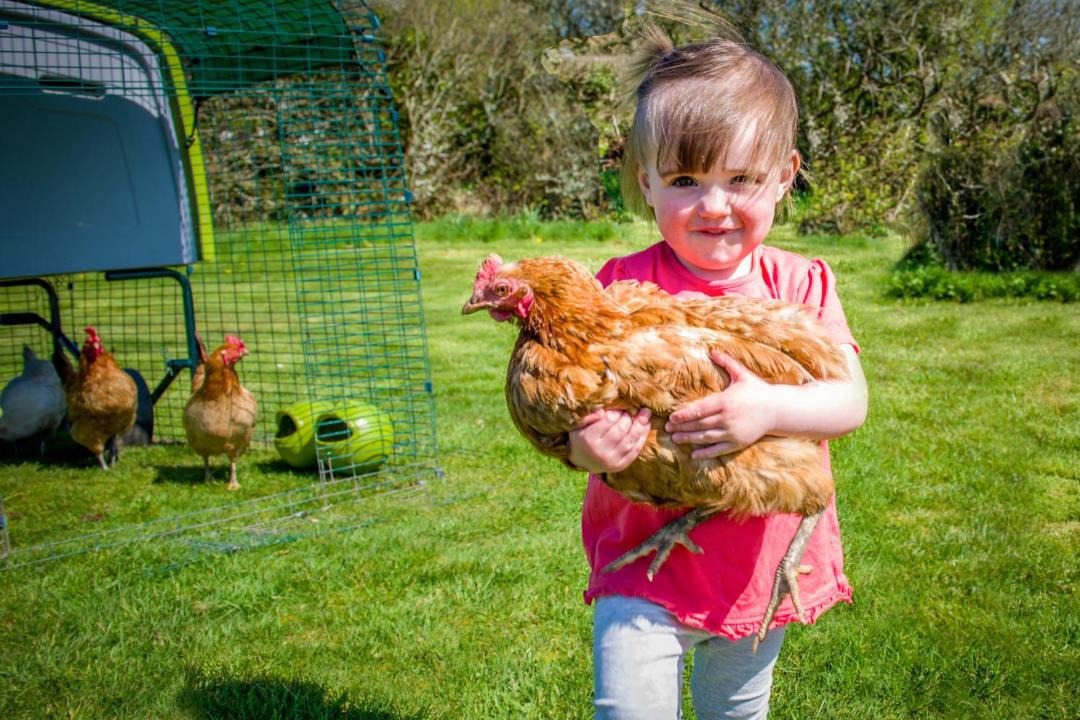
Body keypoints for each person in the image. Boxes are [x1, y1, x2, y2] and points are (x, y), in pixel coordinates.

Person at [565, 23, 869, 720]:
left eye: (740, 179)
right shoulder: (617, 288)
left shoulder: (799, 285)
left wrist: (767, 409)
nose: (713, 205)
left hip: (756, 567)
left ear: (784, 176)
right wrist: (584, 447)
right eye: (683, 180)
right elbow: (575, 406)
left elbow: (849, 401)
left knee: (737, 711)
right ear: (644, 181)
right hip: (642, 557)